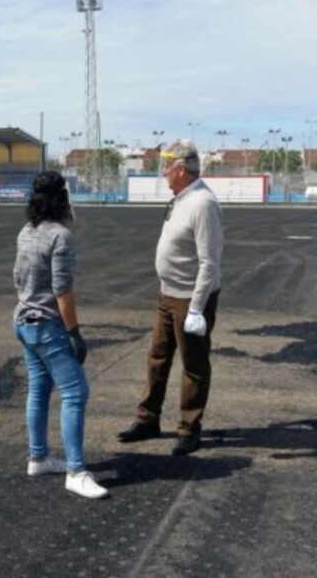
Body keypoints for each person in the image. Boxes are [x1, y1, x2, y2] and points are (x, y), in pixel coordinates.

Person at [118, 140, 223, 456]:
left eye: (167, 166)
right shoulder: (180, 198)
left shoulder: (202, 203)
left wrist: (196, 308)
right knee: (157, 358)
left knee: (193, 364)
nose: (163, 172)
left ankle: (190, 427)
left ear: (181, 169)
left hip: (190, 299)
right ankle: (148, 419)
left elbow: (209, 262)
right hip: (167, 294)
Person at [12, 171, 108, 499]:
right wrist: (75, 333)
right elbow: (62, 290)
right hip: (47, 325)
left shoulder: (26, 231)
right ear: (62, 198)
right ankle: (76, 471)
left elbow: (17, 277)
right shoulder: (60, 237)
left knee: (39, 389)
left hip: (24, 320)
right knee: (75, 392)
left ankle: (38, 456)